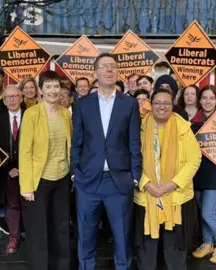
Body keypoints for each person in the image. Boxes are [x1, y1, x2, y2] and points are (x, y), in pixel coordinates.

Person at [71, 53, 142, 270]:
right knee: (86, 235)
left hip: (119, 181)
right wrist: (75, 172)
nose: (109, 70)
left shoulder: (129, 104)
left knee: (122, 236)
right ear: (95, 73)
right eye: (104, 66)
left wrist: (135, 177)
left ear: (117, 72)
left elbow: (134, 142)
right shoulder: (82, 104)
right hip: (88, 181)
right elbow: (77, 141)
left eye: (113, 67)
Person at [134, 89, 201, 270]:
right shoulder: (139, 127)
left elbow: (194, 159)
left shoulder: (183, 127)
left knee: (175, 248)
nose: (161, 107)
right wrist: (146, 184)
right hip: (147, 196)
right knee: (146, 247)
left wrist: (172, 185)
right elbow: (131, 159)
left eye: (166, 103)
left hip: (176, 197)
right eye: (157, 103)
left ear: (173, 106)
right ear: (151, 105)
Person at [19, 70, 72, 270]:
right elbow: (25, 152)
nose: (53, 90)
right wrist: (26, 186)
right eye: (48, 86)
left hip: (63, 177)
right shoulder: (32, 114)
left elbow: (69, 146)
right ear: (40, 90)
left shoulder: (65, 113)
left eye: (56, 86)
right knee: (38, 230)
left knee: (61, 227)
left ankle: (62, 266)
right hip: (39, 180)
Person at [190, 85, 216, 264]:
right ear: (200, 100)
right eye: (204, 98)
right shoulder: (193, 121)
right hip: (199, 172)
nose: (208, 101)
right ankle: (207, 244)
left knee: (208, 212)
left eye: (212, 98)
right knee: (202, 211)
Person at [0, 85, 25, 254]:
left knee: (32, 204)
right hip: (8, 170)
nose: (12, 99)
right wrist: (9, 167)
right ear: (3, 101)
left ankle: (33, 236)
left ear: (21, 98)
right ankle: (13, 238)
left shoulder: (32, 116)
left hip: (30, 169)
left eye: (15, 96)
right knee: (12, 205)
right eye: (8, 97)